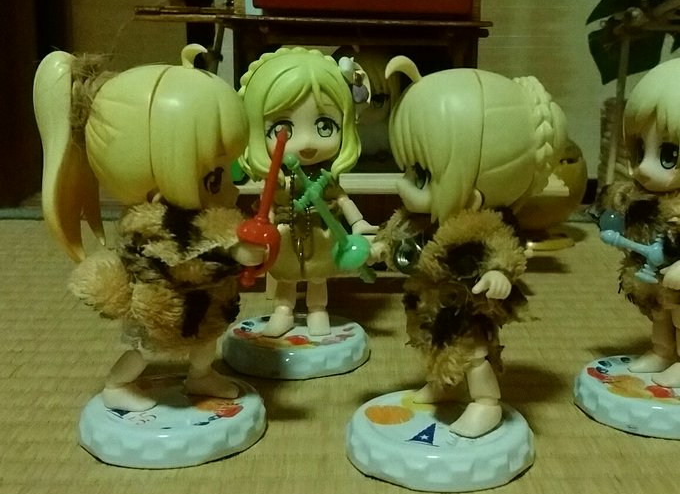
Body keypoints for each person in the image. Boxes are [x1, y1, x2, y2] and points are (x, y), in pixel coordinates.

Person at [33, 44, 261, 411]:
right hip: (159, 309)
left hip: (202, 310)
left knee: (206, 344)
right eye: (215, 177)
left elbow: (215, 237)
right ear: (158, 188)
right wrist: (235, 254)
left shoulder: (211, 216)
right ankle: (117, 385)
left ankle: (201, 376)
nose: (232, 189)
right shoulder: (151, 227)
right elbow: (184, 262)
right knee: (143, 349)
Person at [375, 56, 562, 437]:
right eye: (407, 170)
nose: (402, 185)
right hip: (430, 307)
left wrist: (499, 274)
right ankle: (443, 386)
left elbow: (504, 251)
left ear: (474, 192)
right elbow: (396, 238)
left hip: (466, 306)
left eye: (421, 175)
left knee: (474, 354)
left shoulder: (482, 227)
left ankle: (486, 403)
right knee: (435, 346)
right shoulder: (418, 220)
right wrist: (380, 249)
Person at [238, 47, 375, 337]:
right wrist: (262, 232)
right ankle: (283, 311)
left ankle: (317, 310)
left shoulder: (326, 178)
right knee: (286, 277)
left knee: (318, 277)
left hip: (321, 233)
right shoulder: (278, 180)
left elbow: (342, 199)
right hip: (286, 234)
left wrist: (359, 223)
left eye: (324, 126)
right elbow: (266, 209)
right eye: (283, 127)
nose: (307, 142)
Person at [598, 57, 680, 388]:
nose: (644, 168)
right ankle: (662, 351)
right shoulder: (644, 195)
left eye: (668, 155)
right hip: (655, 276)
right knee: (659, 313)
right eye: (640, 149)